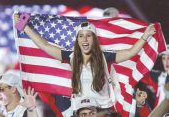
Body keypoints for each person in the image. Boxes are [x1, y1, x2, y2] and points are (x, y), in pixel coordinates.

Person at [14, 14, 156, 110]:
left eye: (88, 36)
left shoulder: (105, 56)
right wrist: (23, 26)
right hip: (79, 112)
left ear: (94, 39)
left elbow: (131, 52)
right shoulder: (71, 56)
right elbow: (45, 45)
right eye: (81, 36)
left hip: (103, 112)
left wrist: (145, 36)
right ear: (77, 40)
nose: (85, 39)